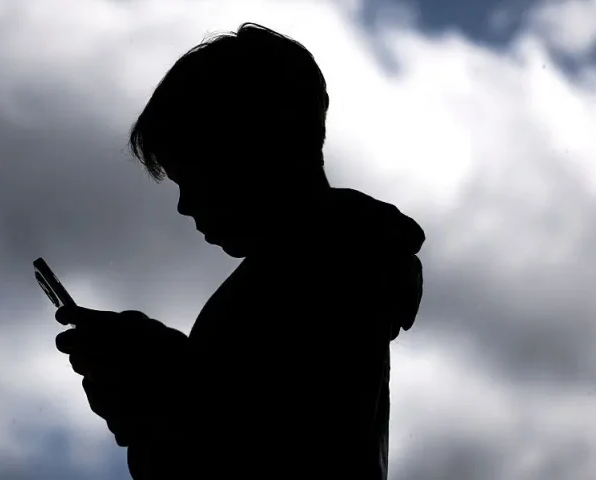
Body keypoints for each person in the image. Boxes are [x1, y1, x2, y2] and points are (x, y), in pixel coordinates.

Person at [55, 22, 425, 480]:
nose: (184, 206)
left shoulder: (302, 284)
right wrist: (168, 365)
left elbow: (249, 448)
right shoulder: (344, 265)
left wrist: (153, 394)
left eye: (193, 178)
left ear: (253, 154)